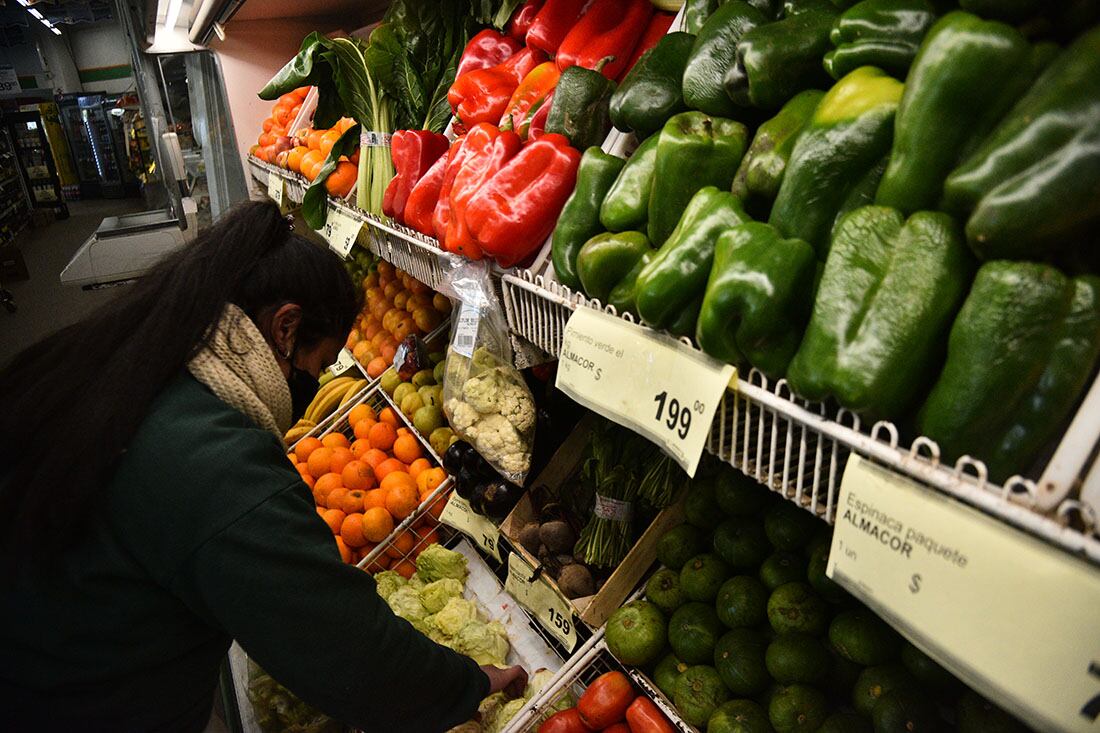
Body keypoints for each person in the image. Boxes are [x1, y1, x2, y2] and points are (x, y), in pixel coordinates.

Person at [0, 201, 526, 732]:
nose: (314, 386)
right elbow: (341, 645)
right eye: (319, 365)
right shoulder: (216, 462)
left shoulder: (138, 361)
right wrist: (470, 684)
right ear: (284, 328)